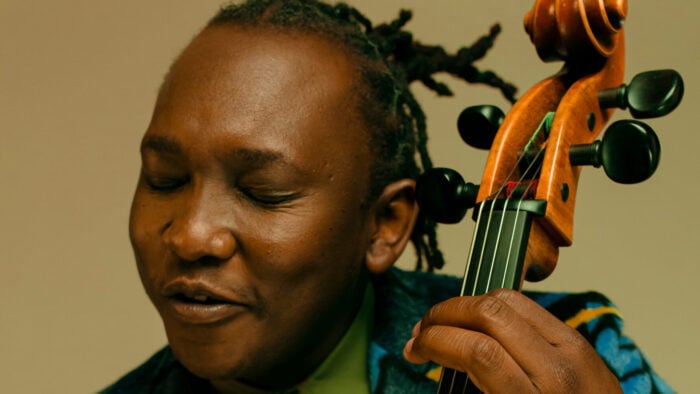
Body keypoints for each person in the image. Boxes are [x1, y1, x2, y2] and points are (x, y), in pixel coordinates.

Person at [103, 0, 671, 392]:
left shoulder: (573, 361)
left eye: (263, 192)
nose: (190, 234)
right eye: (165, 179)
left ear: (387, 226)